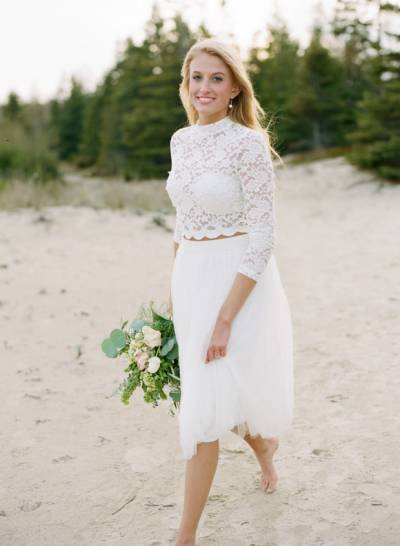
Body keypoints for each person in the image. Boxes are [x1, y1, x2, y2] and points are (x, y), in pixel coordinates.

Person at [166, 38, 294, 546]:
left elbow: (263, 235)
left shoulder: (247, 143)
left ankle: (185, 536)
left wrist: (224, 317)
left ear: (235, 87)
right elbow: (182, 221)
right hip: (192, 278)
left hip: (237, 282)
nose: (204, 87)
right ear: (186, 83)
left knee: (203, 409)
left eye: (216, 78)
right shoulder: (180, 140)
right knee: (211, 394)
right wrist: (173, 290)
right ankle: (264, 446)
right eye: (197, 77)